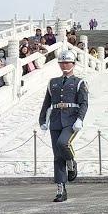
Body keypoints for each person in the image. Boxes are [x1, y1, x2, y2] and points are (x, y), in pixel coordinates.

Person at [38, 50, 89, 203]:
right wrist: (42, 120)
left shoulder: (79, 82)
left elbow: (84, 103)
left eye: (68, 62)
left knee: (63, 143)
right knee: (57, 156)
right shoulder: (53, 82)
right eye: (62, 62)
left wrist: (80, 119)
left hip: (71, 120)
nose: (65, 65)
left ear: (73, 64)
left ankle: (71, 162)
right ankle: (61, 188)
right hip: (55, 120)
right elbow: (47, 103)